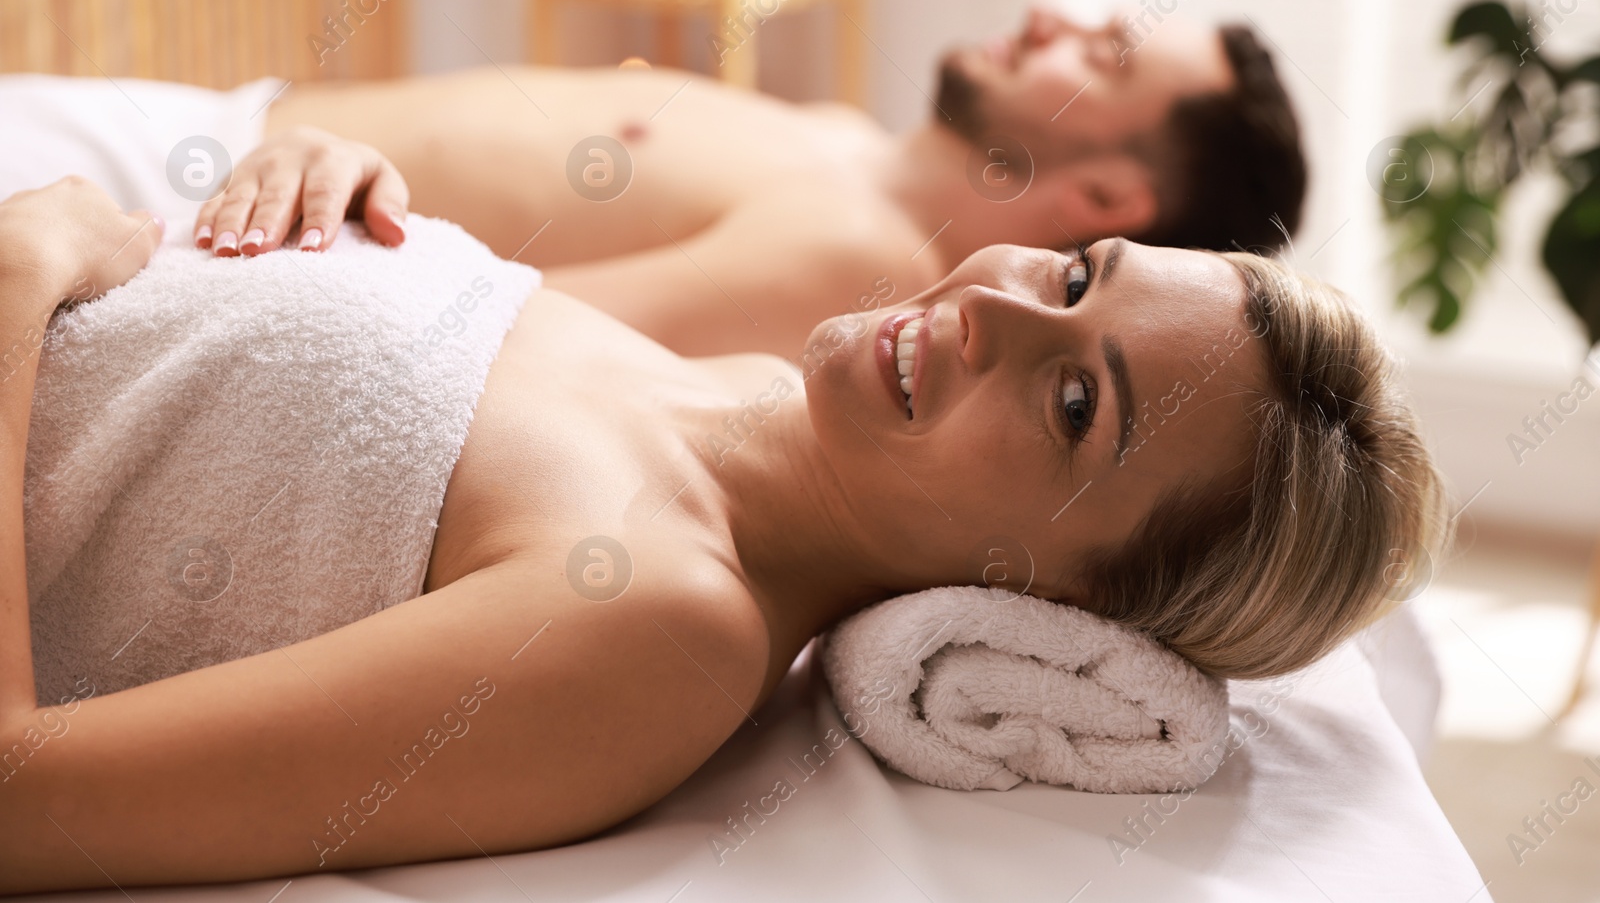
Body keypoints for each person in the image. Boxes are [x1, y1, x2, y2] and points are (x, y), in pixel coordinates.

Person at [1, 163, 1439, 893]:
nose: (995, 305)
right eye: (1075, 271)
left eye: (1074, 404)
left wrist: (20, 272)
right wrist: (314, 188)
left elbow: (22, 798)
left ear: (1059, 606)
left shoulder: (660, 629)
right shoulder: (747, 393)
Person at [223, 7, 1307, 357]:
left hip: (239, 225)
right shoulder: (843, 142)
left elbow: (480, 333)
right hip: (242, 142)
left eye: (1102, 52)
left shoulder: (861, 261)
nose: (1046, 19)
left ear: (1113, 201)